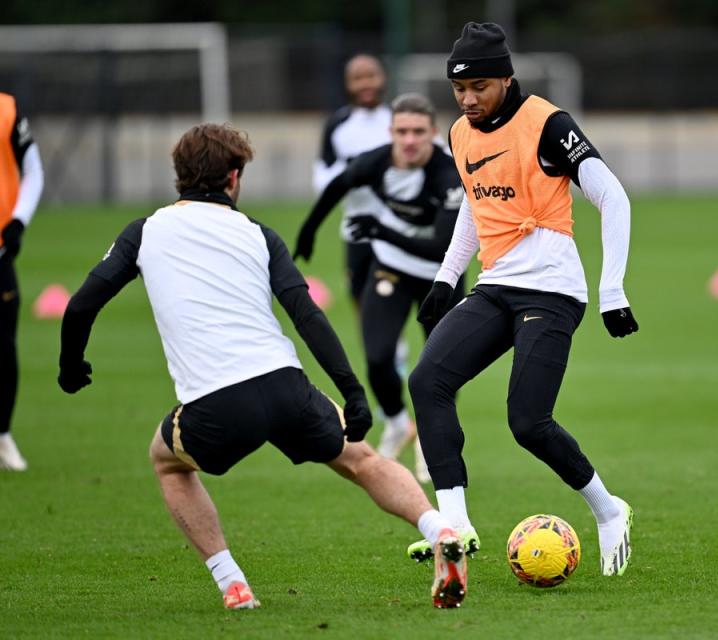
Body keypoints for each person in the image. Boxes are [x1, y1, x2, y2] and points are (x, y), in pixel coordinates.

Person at [57, 123, 468, 610]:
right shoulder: (258, 234)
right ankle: (438, 526)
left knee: (167, 462)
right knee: (363, 460)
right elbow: (307, 315)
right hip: (286, 386)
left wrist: (71, 364)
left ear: (179, 176)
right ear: (234, 178)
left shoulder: (144, 231)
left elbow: (81, 305)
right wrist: (353, 392)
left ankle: (232, 583)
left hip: (216, 402)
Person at [407, 22, 639, 577]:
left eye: (479, 87)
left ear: (506, 80)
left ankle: (609, 511)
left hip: (553, 292)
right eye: (459, 89)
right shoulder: (460, 134)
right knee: (427, 382)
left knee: (528, 422)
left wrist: (613, 290)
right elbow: (474, 203)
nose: (467, 99)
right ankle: (455, 524)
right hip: (496, 287)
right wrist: (446, 277)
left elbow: (613, 196)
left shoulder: (547, 123)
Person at [295, 94, 464, 486]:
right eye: (401, 132)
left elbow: (441, 244)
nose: (409, 140)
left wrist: (379, 229)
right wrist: (309, 228)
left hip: (443, 275)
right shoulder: (377, 159)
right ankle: (397, 422)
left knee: (440, 367)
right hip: (391, 269)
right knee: (376, 357)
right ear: (391, 133)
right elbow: (341, 182)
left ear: (433, 134)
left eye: (418, 132)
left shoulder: (448, 173)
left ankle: (429, 439)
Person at [312, 53, 392, 310]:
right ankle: (384, 351)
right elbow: (322, 178)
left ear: (382, 78)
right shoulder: (337, 126)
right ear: (348, 84)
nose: (366, 84)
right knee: (361, 299)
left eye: (371, 75)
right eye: (358, 78)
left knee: (397, 296)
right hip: (357, 231)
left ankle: (397, 349)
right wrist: (351, 177)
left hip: (400, 229)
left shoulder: (399, 121)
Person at [0, 92, 44, 472]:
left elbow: (33, 170)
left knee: (3, 347)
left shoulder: (7, 110)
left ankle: (2, 435)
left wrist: (19, 221)